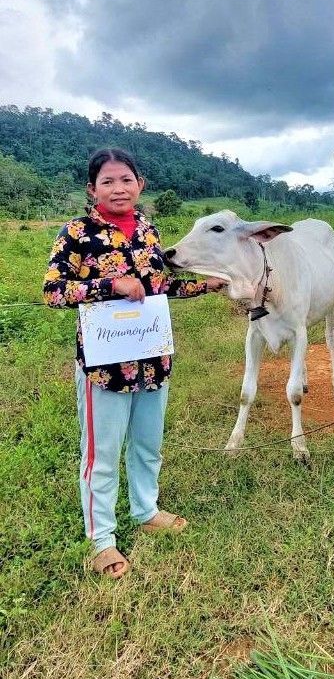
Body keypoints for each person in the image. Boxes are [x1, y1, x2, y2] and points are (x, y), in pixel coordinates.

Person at [44, 148, 223, 579]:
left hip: (152, 357)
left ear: (140, 184)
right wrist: (110, 284)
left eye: (126, 179)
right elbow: (53, 291)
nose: (118, 188)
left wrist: (206, 285)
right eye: (107, 181)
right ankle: (102, 539)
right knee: (101, 454)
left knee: (147, 444)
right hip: (105, 365)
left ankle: (146, 509)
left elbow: (159, 287)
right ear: (92, 190)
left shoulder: (147, 230)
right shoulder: (77, 233)